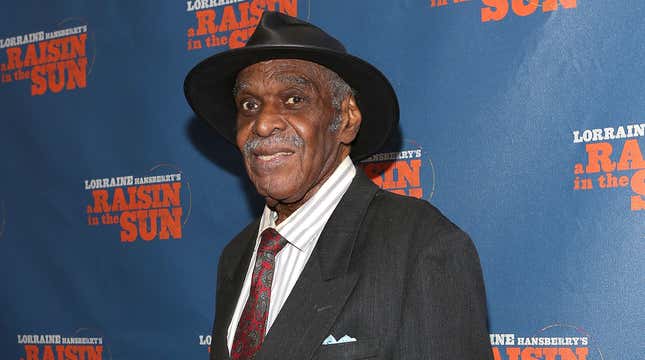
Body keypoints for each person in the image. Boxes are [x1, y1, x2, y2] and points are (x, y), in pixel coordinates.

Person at [184, 11, 492, 360]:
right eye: (249, 105)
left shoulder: (422, 247)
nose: (264, 122)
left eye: (294, 99)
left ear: (345, 119)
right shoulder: (237, 257)